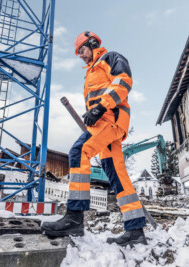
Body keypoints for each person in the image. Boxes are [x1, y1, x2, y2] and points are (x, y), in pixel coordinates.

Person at [41, 31, 147, 247]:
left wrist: (101, 107)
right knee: (116, 173)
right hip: (103, 122)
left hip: (110, 119)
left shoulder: (111, 58)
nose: (80, 55)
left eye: (81, 50)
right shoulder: (90, 72)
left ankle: (74, 218)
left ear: (92, 43)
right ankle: (135, 230)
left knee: (79, 152)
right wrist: (95, 110)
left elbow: (123, 81)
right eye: (77, 53)